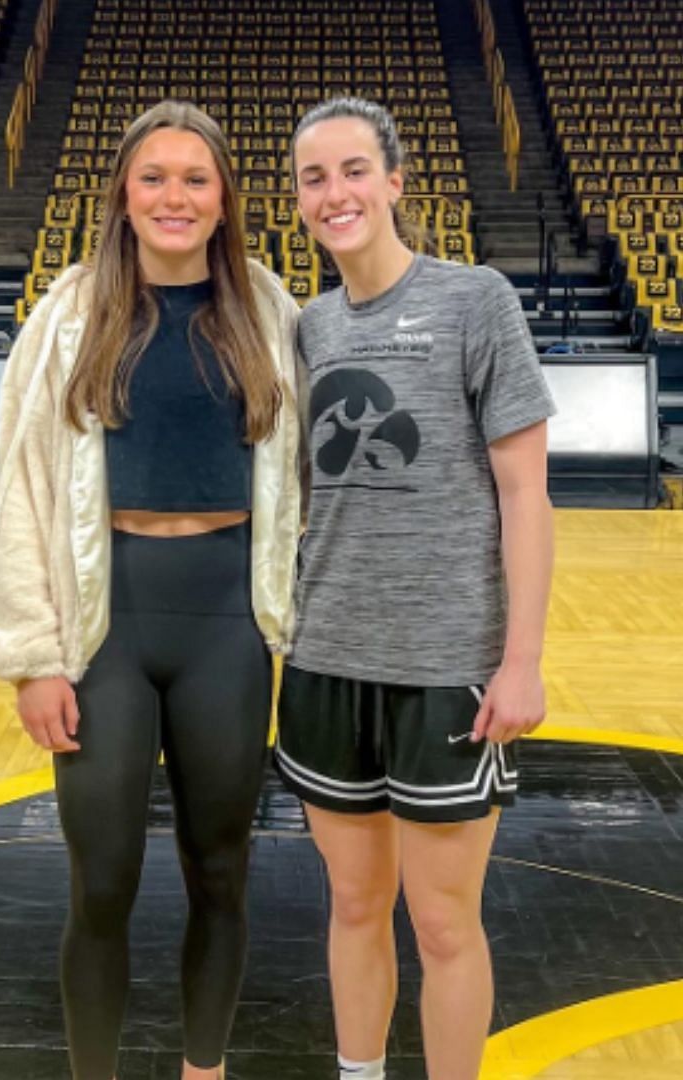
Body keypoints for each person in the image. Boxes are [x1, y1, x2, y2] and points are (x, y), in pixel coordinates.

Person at [0, 100, 302, 1080]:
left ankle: (206, 1069)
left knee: (221, 873)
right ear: (123, 191)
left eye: (195, 179)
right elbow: (20, 488)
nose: (174, 195)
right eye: (154, 176)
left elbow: (311, 481)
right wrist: (32, 657)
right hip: (102, 632)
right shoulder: (68, 315)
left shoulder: (270, 308)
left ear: (223, 199)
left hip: (224, 629)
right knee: (103, 882)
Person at [280, 97, 554, 1080]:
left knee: (442, 924)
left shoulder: (475, 300)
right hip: (324, 658)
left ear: (395, 182)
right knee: (354, 906)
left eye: (354, 170)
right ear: (300, 201)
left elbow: (527, 495)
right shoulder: (307, 327)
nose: (335, 193)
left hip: (447, 666)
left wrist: (519, 662)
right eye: (314, 178)